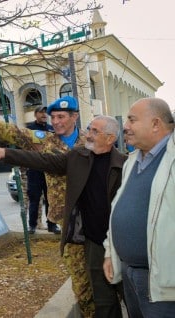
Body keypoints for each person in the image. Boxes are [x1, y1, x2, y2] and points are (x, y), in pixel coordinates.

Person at [0, 96, 95, 317]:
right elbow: (13, 132)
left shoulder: (90, 142)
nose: (56, 121)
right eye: (53, 117)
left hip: (94, 218)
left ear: (75, 117)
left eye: (61, 116)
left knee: (104, 275)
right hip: (68, 221)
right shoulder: (45, 141)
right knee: (80, 279)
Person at [0, 115, 127, 317]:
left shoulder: (125, 165)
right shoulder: (78, 156)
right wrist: (5, 153)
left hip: (122, 243)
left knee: (131, 295)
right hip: (95, 242)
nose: (88, 134)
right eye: (89, 128)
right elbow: (43, 160)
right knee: (104, 300)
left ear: (110, 139)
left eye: (95, 131)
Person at [103, 97, 175, 317]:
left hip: (162, 281)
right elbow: (118, 210)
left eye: (132, 120)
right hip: (130, 272)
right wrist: (110, 252)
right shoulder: (132, 160)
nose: (125, 126)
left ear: (155, 124)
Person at [25, 105, 57, 234]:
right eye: (41, 112)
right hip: (34, 170)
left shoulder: (51, 129)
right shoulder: (29, 129)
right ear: (35, 114)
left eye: (45, 113)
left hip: (49, 170)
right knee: (34, 199)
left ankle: (52, 225)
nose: (44, 115)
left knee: (51, 199)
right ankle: (32, 225)